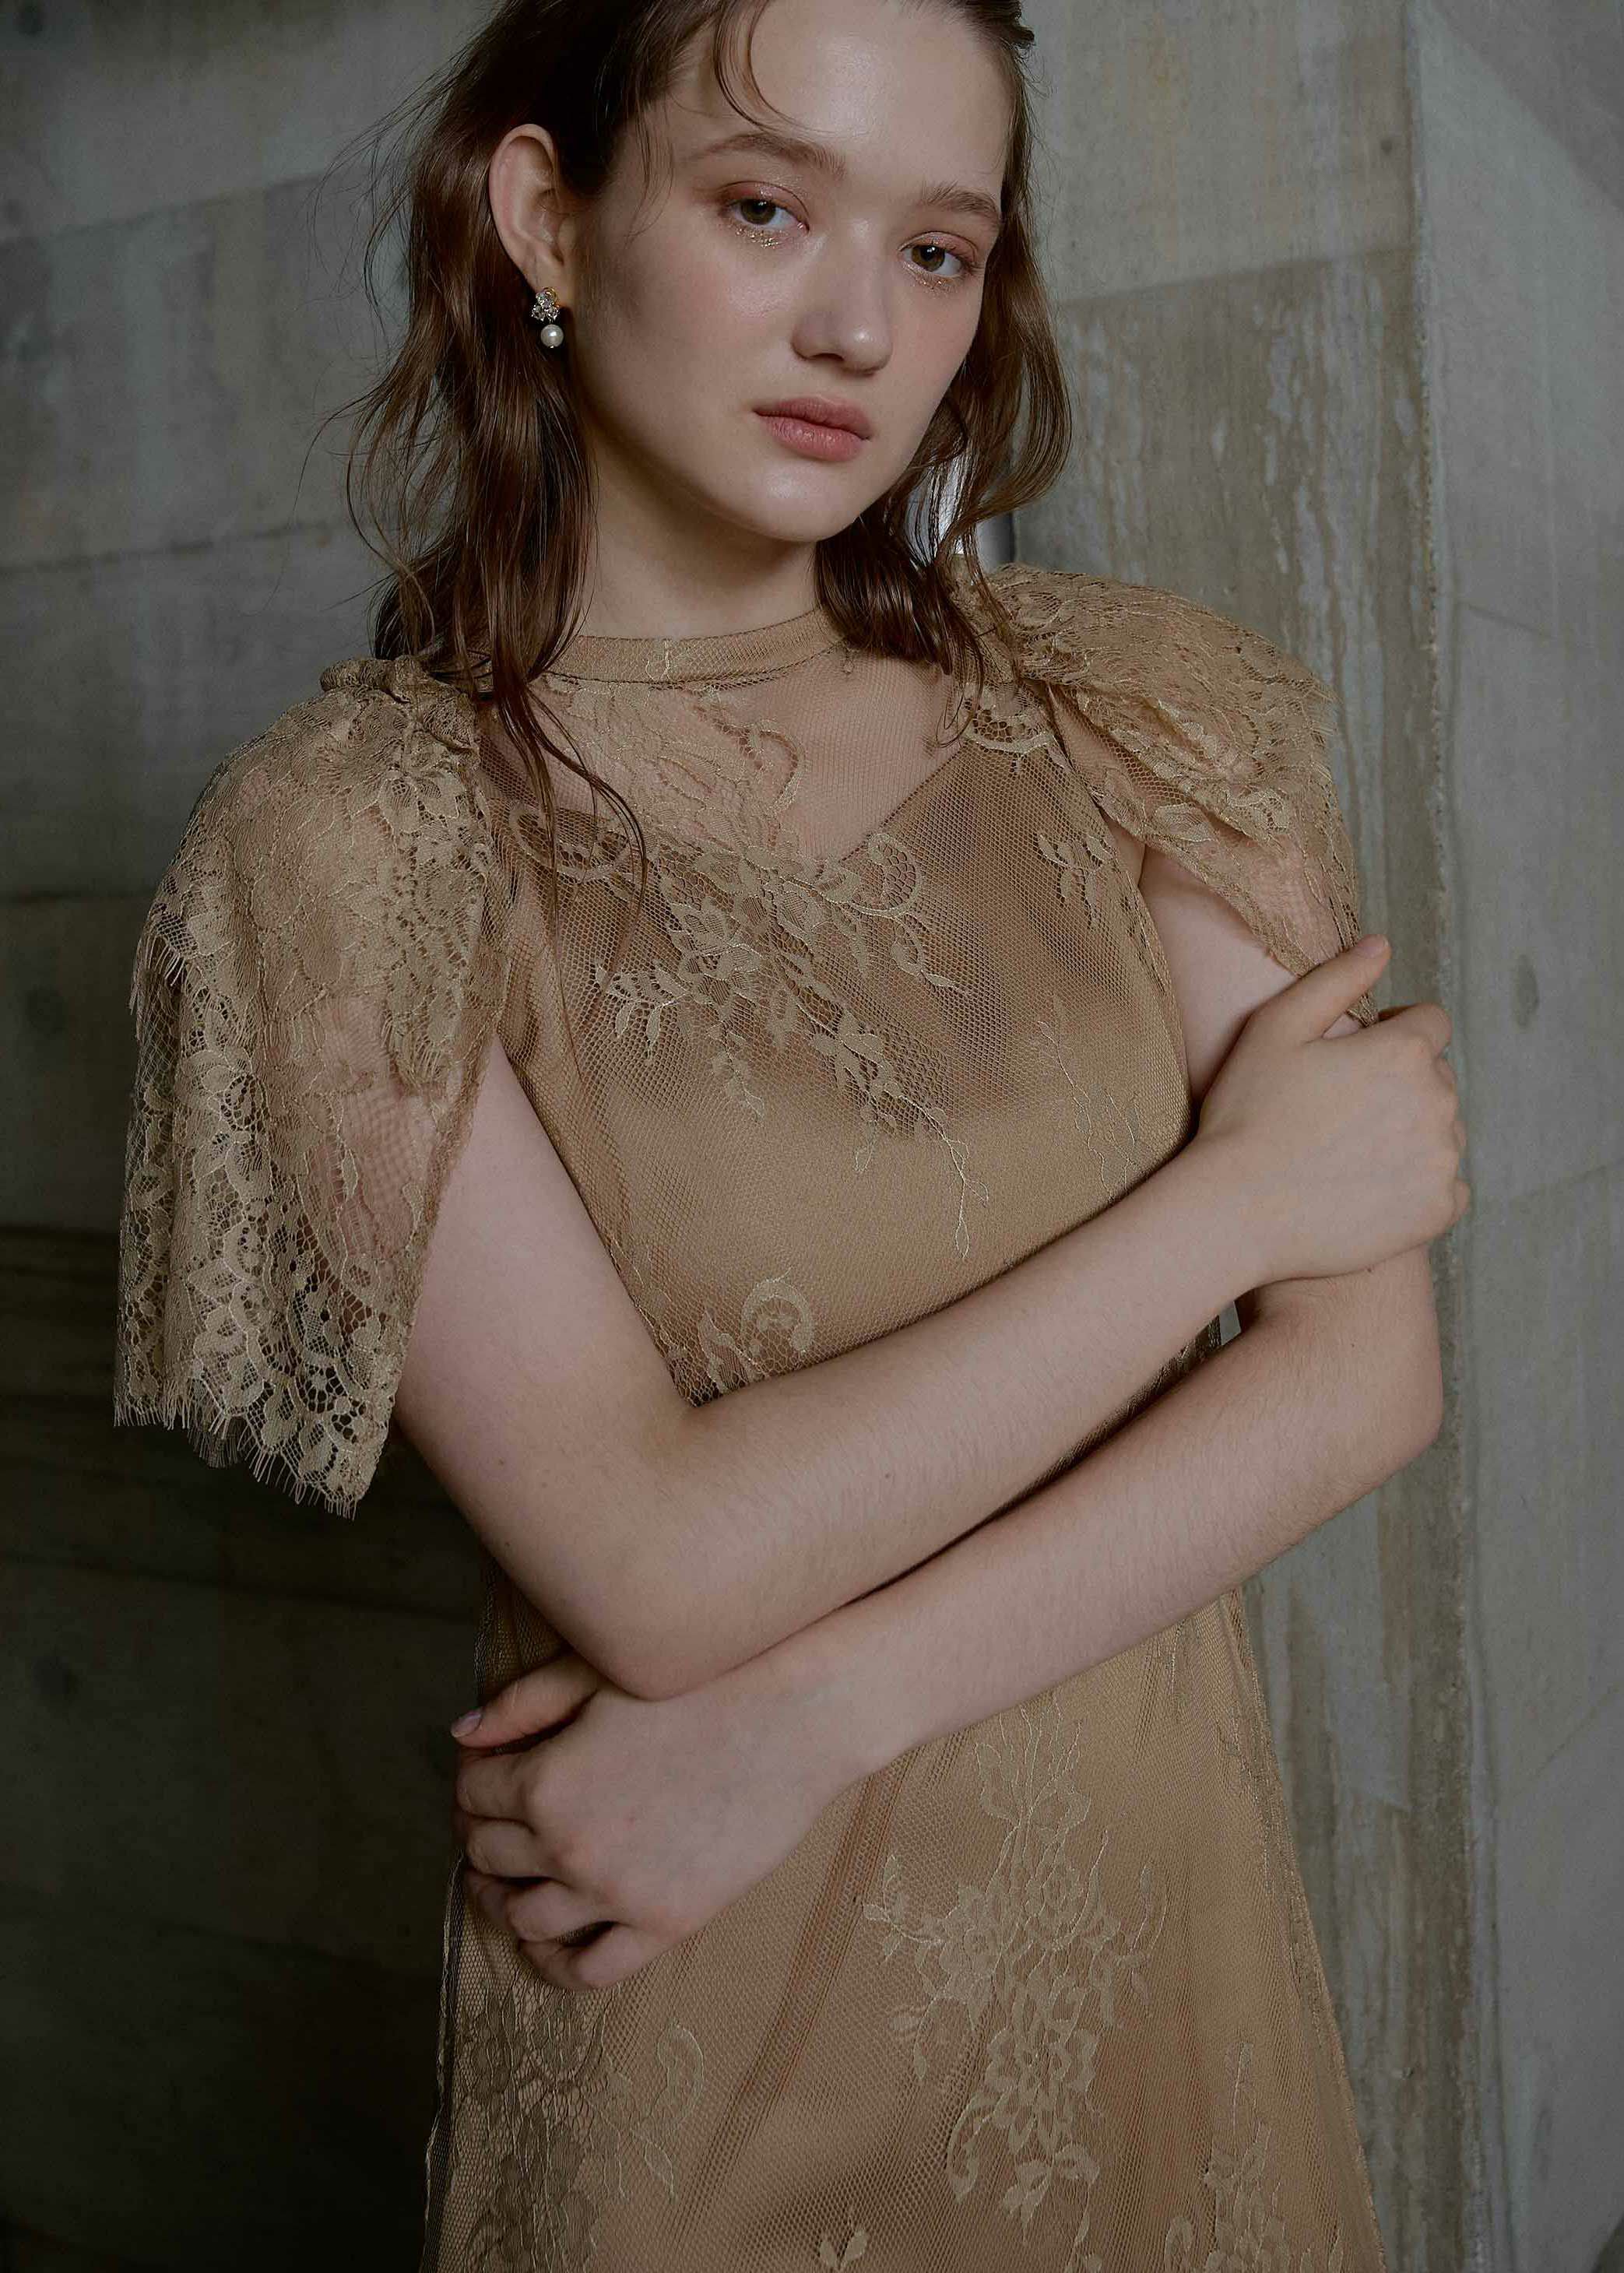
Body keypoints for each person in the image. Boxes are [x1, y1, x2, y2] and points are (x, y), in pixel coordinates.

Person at [111, 0, 1468, 2265]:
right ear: (548, 217)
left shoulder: (1141, 720)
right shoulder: (353, 847)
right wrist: (1235, 1200)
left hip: (1152, 1970)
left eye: (939, 251)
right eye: (764, 208)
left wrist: (801, 1718)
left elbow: (1361, 1376)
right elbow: (653, 1558)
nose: (860, 325)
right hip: (703, 2010)